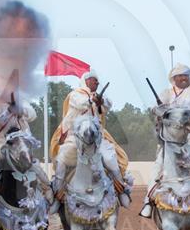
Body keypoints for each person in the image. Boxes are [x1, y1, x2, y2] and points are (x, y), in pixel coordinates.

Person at [140, 64, 190, 217]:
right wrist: (158, 109)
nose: (183, 78)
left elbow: (186, 107)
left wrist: (166, 109)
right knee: (159, 165)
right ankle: (148, 200)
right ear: (173, 79)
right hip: (171, 138)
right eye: (180, 76)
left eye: (186, 75)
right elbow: (153, 108)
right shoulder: (166, 92)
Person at [51, 70, 130, 206]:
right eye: (95, 80)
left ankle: (122, 190)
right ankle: (56, 196)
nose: (97, 82)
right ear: (86, 81)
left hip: (97, 139)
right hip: (74, 138)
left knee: (110, 158)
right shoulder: (75, 95)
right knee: (62, 158)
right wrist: (91, 100)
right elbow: (81, 103)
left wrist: (100, 100)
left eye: (98, 81)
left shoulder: (97, 97)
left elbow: (107, 105)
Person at [0, 90, 37, 187]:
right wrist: (9, 111)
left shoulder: (21, 100)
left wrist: (21, 110)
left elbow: (33, 115)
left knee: (36, 167)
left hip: (20, 143)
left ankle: (48, 192)